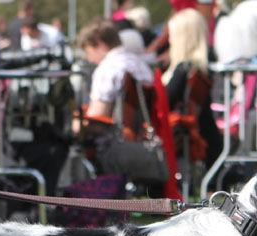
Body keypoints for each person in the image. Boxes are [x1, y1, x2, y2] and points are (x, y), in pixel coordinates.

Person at [162, 8, 222, 168]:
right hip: (207, 137)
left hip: (182, 135)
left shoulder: (184, 70)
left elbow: (164, 102)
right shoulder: (199, 70)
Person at [78, 18, 153, 121]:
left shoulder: (107, 69)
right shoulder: (140, 64)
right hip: (142, 131)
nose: (90, 59)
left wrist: (78, 124)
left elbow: (97, 117)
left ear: (100, 44)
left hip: (115, 134)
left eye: (89, 52)